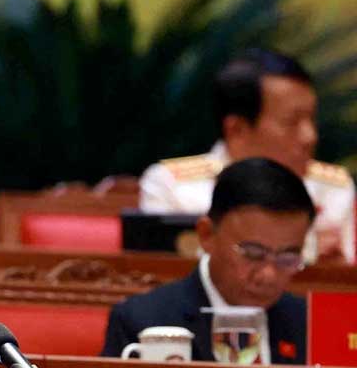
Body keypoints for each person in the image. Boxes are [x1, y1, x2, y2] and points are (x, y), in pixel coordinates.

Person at [139, 48, 354, 264]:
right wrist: (308, 248)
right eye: (292, 122)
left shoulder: (332, 188)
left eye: (311, 119)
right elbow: (166, 275)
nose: (310, 136)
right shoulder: (171, 185)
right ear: (237, 129)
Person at [103, 158, 315, 364]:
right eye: (253, 253)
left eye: (287, 257)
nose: (268, 275)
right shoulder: (141, 321)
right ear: (206, 235)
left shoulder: (311, 325)